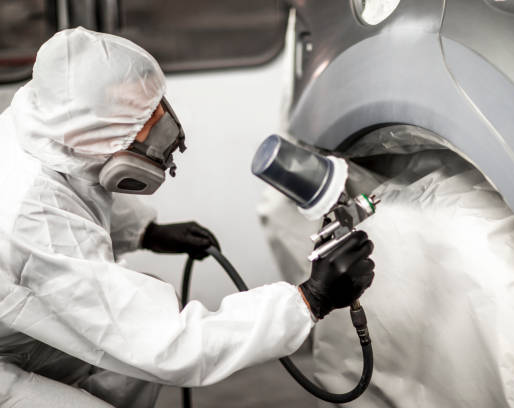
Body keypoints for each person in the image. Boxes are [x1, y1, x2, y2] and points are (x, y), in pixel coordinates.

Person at [0, 27, 375, 407]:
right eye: (143, 122)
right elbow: (169, 344)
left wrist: (146, 231)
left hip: (15, 325)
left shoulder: (42, 128)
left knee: (138, 323)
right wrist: (307, 301)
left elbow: (81, 184)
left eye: (156, 107)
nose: (164, 133)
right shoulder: (37, 218)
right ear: (89, 133)